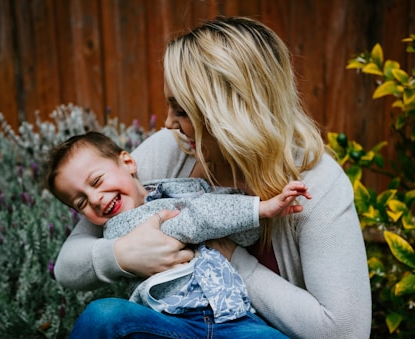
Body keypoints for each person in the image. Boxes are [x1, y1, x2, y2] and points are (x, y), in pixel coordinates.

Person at [53, 16, 372, 338]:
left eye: (182, 111)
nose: (168, 123)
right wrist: (122, 255)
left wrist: (233, 259)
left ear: (231, 110)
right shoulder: (172, 151)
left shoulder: (316, 183)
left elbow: (345, 331)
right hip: (176, 326)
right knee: (104, 317)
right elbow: (68, 265)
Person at [45, 131, 310, 337]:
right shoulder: (120, 227)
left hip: (232, 317)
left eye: (96, 181)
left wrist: (244, 211)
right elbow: (192, 221)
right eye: (80, 203)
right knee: (101, 315)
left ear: (128, 162)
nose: (95, 199)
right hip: (172, 323)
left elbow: (244, 237)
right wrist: (259, 208)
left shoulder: (178, 191)